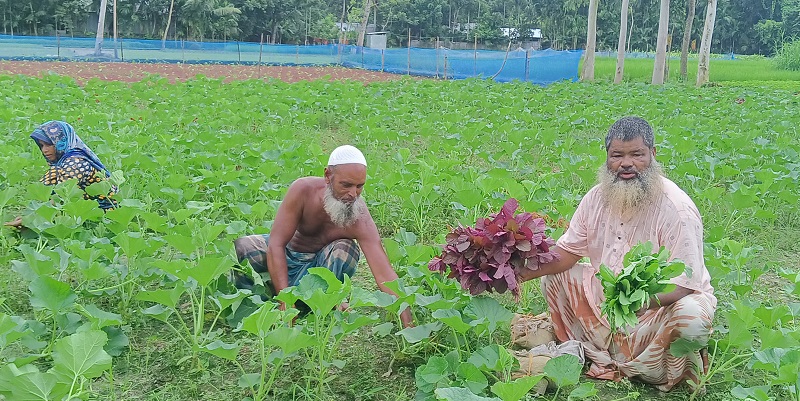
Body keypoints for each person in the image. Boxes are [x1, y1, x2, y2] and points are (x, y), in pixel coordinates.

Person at [516, 116, 716, 391]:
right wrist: (518, 273)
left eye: (637, 154)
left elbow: (683, 285)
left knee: (692, 317)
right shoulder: (595, 198)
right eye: (617, 155)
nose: (626, 163)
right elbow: (567, 252)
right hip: (609, 302)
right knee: (556, 277)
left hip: (657, 310)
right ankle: (591, 348)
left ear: (653, 155)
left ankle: (661, 368)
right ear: (607, 157)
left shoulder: (676, 209)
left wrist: (638, 302)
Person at [232, 145, 413, 327]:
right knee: (243, 247)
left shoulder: (359, 217)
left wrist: (407, 320)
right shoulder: (303, 190)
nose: (353, 194)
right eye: (346, 185)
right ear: (328, 176)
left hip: (319, 273)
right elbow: (276, 244)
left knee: (345, 249)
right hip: (284, 259)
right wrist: (285, 301)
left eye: (360, 186)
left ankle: (321, 302)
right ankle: (258, 304)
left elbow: (384, 272)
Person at [4, 120, 118, 228]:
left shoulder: (76, 163)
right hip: (82, 208)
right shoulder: (64, 160)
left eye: (49, 145)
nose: (44, 150)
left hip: (105, 214)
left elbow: (61, 197)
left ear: (61, 142)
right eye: (42, 145)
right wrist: (30, 214)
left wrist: (31, 219)